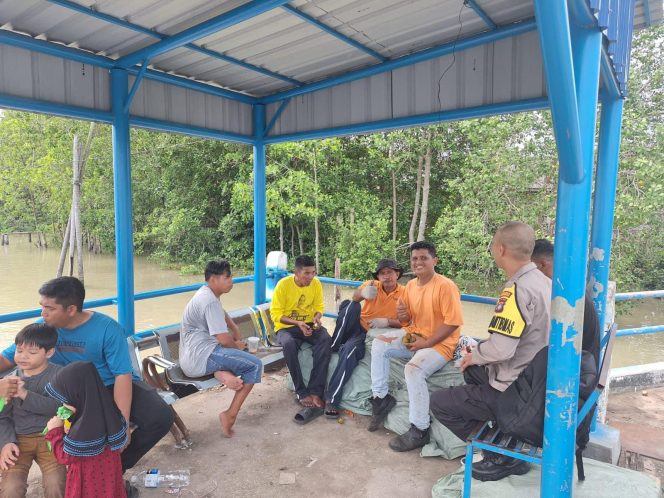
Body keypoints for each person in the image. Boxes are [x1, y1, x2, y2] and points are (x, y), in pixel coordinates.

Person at [0, 277, 173, 482]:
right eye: (42, 307)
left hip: (110, 384)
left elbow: (122, 375)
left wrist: (122, 423)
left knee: (160, 418)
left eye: (49, 308)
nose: (42, 313)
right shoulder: (43, 329)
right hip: (73, 394)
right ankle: (95, 472)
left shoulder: (107, 328)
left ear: (71, 309)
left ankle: (116, 468)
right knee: (85, 430)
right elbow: (7, 359)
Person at [430, 222, 551, 482]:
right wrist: (478, 356)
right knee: (473, 370)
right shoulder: (544, 282)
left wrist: (474, 353)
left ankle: (501, 454)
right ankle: (505, 432)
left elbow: (502, 349)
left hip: (516, 389)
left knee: (439, 402)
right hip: (537, 381)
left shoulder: (517, 289)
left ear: (500, 249)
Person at [369, 241, 464, 451]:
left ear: (434, 261)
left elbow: (453, 322)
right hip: (415, 335)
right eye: (414, 258)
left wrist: (427, 343)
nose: (418, 262)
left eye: (424, 258)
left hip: (441, 343)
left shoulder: (445, 286)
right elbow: (407, 320)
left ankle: (419, 429)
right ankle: (380, 398)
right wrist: (403, 317)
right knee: (379, 343)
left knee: (412, 370)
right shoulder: (411, 285)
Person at [180, 260, 263, 437]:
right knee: (254, 365)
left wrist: (235, 327)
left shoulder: (207, 294)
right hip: (202, 357)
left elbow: (220, 312)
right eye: (227, 277)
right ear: (213, 279)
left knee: (237, 356)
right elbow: (224, 340)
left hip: (195, 355)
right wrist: (238, 348)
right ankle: (230, 414)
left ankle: (222, 373)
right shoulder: (209, 301)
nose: (231, 281)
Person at [324, 259, 406, 418]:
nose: (386, 277)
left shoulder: (406, 293)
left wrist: (388, 322)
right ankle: (334, 344)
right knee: (350, 304)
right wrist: (362, 293)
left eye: (389, 272)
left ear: (397, 274)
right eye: (382, 273)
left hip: (371, 335)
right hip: (357, 326)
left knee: (348, 352)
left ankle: (332, 399)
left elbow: (408, 322)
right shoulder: (371, 285)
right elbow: (355, 297)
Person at [0, 324, 66, 498]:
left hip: (51, 438)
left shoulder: (60, 376)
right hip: (18, 440)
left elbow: (59, 407)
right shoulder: (9, 380)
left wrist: (24, 394)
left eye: (32, 352)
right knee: (11, 488)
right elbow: (3, 418)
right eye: (19, 350)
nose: (23, 357)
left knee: (56, 484)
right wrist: (6, 443)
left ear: (49, 353)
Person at [44, 362, 128, 498]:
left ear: (77, 396)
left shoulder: (82, 429)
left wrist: (55, 431)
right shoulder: (111, 412)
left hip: (87, 485)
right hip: (110, 481)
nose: (63, 406)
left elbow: (64, 457)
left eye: (66, 400)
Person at [270, 255, 332, 422]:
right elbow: (276, 314)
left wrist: (317, 318)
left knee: (325, 339)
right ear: (296, 272)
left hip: (309, 323)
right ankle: (301, 391)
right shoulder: (284, 285)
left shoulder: (316, 283)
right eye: (306, 273)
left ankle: (315, 391)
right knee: (289, 344)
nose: (311, 277)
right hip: (287, 327)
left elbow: (319, 307)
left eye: (313, 273)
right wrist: (298, 323)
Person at [531, 238, 600, 364]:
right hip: (585, 365)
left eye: (531, 269)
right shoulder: (569, 287)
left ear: (542, 265)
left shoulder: (561, 296)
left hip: (575, 371)